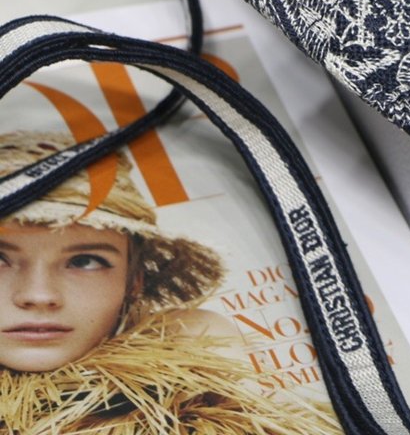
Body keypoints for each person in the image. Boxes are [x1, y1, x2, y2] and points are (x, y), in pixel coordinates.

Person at [0, 129, 343, 434]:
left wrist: (212, 385)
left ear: (134, 281)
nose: (38, 295)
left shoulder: (198, 382)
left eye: (84, 261)